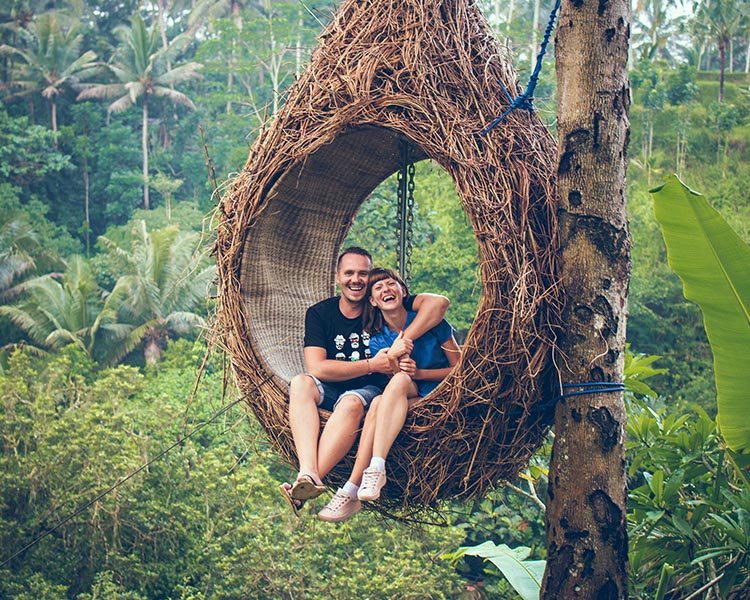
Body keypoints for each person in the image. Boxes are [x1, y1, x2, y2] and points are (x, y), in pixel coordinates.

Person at [279, 248, 450, 519]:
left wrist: (402, 341)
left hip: (368, 390)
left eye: (363, 273)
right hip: (330, 384)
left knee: (350, 403)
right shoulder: (320, 313)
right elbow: (317, 368)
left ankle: (311, 481)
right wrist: (372, 364)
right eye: (349, 273)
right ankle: (308, 471)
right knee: (300, 382)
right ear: (337, 277)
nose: (356, 279)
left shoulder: (384, 308)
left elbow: (439, 304)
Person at [317, 267, 460, 522]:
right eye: (378, 288)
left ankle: (365, 475)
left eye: (391, 284)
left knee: (389, 393)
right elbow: (395, 377)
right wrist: (396, 358)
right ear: (372, 301)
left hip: (442, 396)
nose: (386, 289)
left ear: (403, 291)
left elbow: (461, 369)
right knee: (382, 398)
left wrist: (421, 373)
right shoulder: (376, 339)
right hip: (409, 398)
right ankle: (361, 481)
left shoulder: (432, 322)